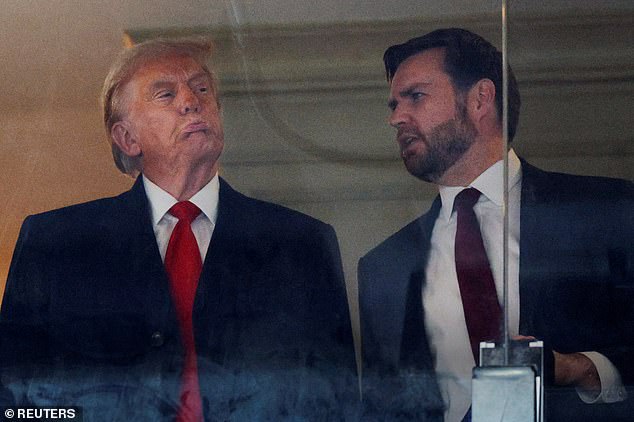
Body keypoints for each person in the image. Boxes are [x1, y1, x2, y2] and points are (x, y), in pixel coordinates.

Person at [0, 38, 357, 421]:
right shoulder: (56, 244)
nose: (191, 101)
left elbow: (339, 403)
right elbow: (15, 404)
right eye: (165, 94)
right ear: (128, 139)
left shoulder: (301, 244)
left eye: (201, 88)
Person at [358, 28, 634, 421]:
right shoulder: (384, 267)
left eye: (415, 96)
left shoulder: (603, 210)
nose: (395, 118)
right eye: (393, 105)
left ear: (480, 99)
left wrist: (578, 369)